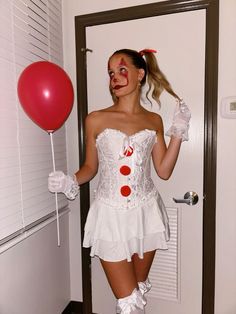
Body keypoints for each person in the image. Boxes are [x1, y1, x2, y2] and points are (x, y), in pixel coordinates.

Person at [48, 48, 191, 313]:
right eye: (111, 73)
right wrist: (70, 180)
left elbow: (164, 170)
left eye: (122, 70)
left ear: (140, 74)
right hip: (110, 216)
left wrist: (178, 131)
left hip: (146, 214)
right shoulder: (95, 119)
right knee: (128, 302)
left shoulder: (154, 120)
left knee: (137, 289)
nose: (114, 77)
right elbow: (90, 167)